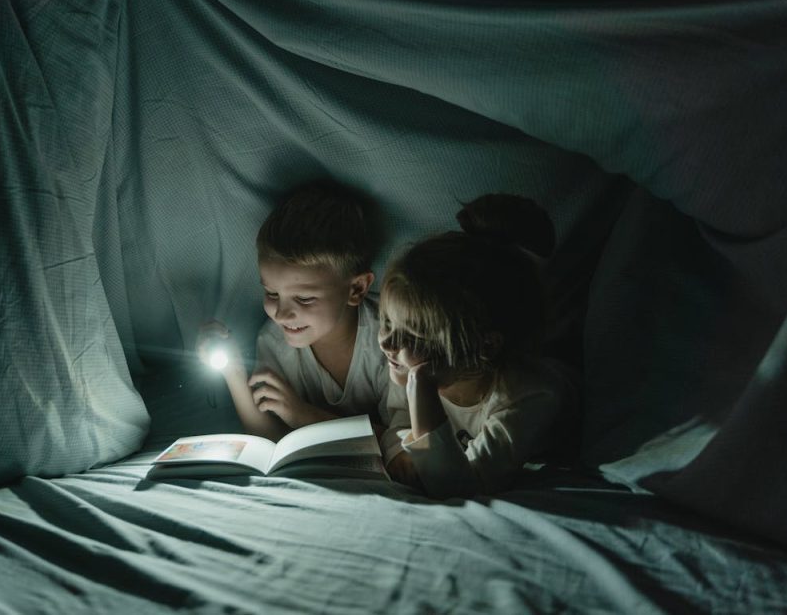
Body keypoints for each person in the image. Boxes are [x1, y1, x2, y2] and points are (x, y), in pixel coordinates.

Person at [378, 194, 577, 497]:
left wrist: (422, 390)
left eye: (413, 335)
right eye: (388, 323)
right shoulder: (412, 364)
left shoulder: (528, 397)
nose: (388, 343)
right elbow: (397, 421)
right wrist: (398, 451)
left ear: (484, 345)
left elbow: (457, 486)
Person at [197, 181, 399, 450]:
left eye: (304, 298)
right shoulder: (274, 340)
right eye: (271, 293)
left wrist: (304, 416)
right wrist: (233, 371)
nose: (281, 314)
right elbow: (268, 435)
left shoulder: (389, 339)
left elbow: (406, 443)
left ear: (357, 288)